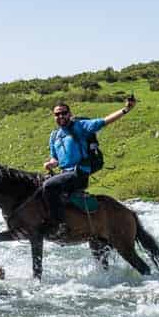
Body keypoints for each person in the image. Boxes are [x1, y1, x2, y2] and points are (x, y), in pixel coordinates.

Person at [42, 95, 137, 239]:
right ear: (53, 117)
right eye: (57, 114)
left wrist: (125, 110)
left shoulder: (80, 126)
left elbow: (104, 121)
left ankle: (59, 225)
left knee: (48, 186)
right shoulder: (54, 136)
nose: (60, 116)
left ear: (70, 114)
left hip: (79, 174)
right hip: (64, 174)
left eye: (63, 113)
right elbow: (55, 158)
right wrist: (51, 163)